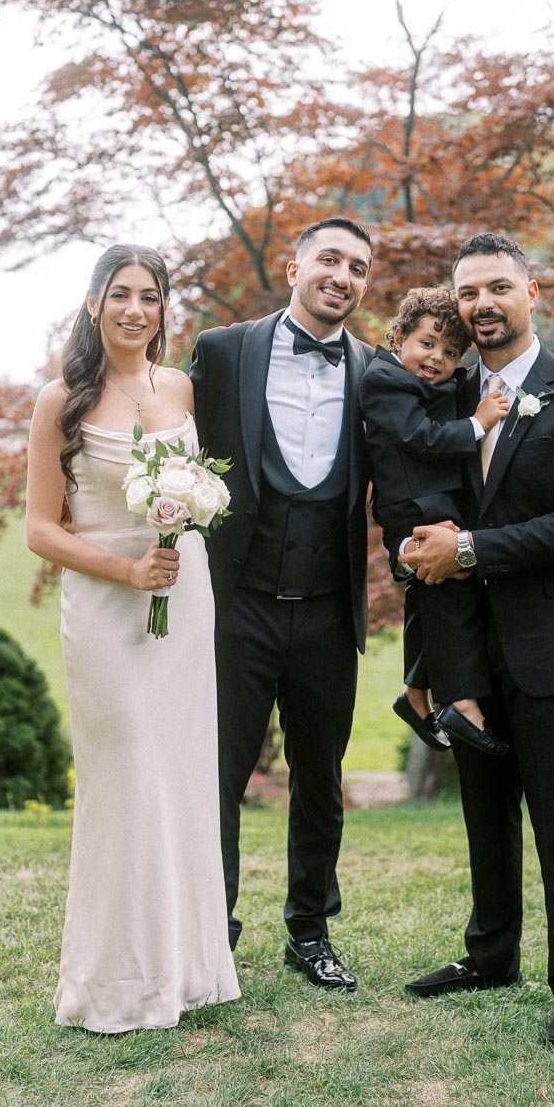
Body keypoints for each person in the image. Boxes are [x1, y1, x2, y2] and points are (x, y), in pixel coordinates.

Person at [403, 233, 554, 1050]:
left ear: (533, 292)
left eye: (498, 287)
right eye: (468, 293)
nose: (482, 305)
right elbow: (416, 501)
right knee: (483, 810)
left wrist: (466, 550)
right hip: (466, 645)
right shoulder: (444, 397)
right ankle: (491, 955)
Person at [26, 243, 240, 1032]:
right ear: (93, 303)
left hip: (183, 600)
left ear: (162, 309)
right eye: (120, 294)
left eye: (149, 296)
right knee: (125, 779)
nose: (134, 309)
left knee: (179, 777)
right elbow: (40, 530)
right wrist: (125, 572)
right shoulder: (60, 400)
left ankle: (185, 971)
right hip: (106, 606)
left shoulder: (178, 387)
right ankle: (114, 984)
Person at [190, 217, 373, 990]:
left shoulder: (376, 369)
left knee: (320, 781)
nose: (343, 276)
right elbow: (173, 446)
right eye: (330, 259)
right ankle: (211, 933)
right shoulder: (222, 350)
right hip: (237, 606)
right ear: (295, 268)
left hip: (329, 609)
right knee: (219, 777)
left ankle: (310, 931)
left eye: (358, 268)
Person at [360, 286, 510, 756]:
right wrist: (479, 423)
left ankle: (414, 693)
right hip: (413, 506)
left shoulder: (424, 381)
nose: (436, 359)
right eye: (426, 344)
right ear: (398, 336)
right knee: (452, 590)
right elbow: (419, 437)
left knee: (430, 594)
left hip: (430, 501)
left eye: (449, 353)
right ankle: (461, 701)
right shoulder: (383, 380)